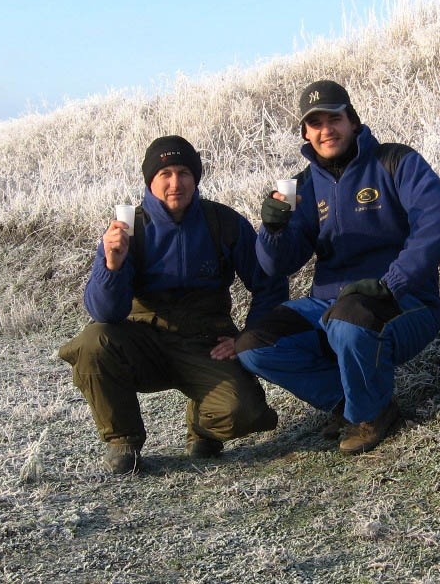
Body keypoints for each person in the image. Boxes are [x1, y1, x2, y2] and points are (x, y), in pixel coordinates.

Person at [230, 80, 440, 455]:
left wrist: (393, 282)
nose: (326, 130)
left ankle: (371, 414)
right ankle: (350, 401)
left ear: (352, 120)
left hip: (404, 301)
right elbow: (277, 265)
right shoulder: (304, 186)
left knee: (350, 318)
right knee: (253, 344)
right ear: (305, 133)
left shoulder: (395, 161)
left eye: (334, 118)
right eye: (315, 123)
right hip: (330, 308)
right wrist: (272, 230)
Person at [58, 135, 286, 474]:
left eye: (183, 172)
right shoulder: (127, 228)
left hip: (205, 341)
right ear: (150, 181)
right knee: (93, 343)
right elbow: (105, 313)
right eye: (165, 174)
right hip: (143, 340)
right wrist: (112, 265)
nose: (175, 183)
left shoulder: (222, 222)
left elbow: (269, 282)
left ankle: (201, 422)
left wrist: (249, 336)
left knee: (246, 414)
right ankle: (123, 441)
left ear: (196, 178)